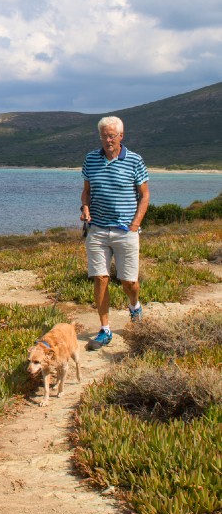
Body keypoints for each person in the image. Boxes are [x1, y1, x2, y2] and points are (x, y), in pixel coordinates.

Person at [80, 115, 150, 350]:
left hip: (126, 231)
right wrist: (85, 208)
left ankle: (134, 306)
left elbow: (145, 196)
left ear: (121, 136)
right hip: (97, 230)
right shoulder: (91, 159)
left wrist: (134, 224)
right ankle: (105, 329)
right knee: (100, 279)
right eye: (104, 135)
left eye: (112, 135)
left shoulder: (135, 160)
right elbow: (86, 191)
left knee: (129, 282)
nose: (108, 140)